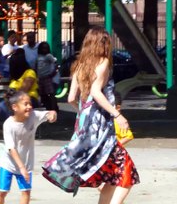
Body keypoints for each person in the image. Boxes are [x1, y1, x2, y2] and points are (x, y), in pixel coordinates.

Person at [42, 26, 140, 204]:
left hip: (85, 124)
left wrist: (83, 113)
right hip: (101, 127)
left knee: (112, 175)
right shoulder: (102, 63)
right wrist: (117, 115)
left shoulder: (79, 65)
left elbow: (72, 97)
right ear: (103, 44)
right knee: (126, 170)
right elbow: (96, 92)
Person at [0, 89, 57, 204]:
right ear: (15, 107)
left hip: (26, 163)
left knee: (26, 192)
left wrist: (52, 115)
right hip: (8, 164)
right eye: (25, 104)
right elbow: (11, 148)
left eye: (30, 103)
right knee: (3, 192)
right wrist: (21, 168)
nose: (29, 106)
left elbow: (51, 112)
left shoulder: (33, 116)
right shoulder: (8, 125)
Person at [0, 48, 39, 119]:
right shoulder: (14, 76)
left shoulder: (29, 73)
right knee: (2, 106)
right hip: (15, 99)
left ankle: (18, 123)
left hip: (29, 98)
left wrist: (12, 95)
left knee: (14, 106)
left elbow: (24, 90)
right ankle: (14, 123)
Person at [36, 41, 59, 112]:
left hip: (47, 77)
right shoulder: (39, 56)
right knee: (42, 93)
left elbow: (56, 64)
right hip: (40, 78)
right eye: (43, 48)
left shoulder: (48, 56)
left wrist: (53, 73)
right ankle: (46, 106)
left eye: (46, 48)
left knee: (50, 93)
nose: (44, 50)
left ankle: (54, 108)